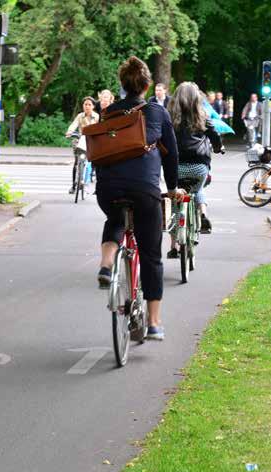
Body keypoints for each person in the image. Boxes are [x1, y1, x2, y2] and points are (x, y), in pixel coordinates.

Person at [96, 56, 183, 341]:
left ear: (122, 85)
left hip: (108, 188)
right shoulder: (157, 112)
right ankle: (154, 322)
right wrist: (172, 187)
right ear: (146, 86)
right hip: (144, 189)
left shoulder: (108, 113)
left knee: (115, 217)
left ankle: (107, 265)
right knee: (151, 254)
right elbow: (172, 157)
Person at [166, 82, 223, 256]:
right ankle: (203, 214)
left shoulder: (169, 117)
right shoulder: (202, 116)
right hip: (199, 167)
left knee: (176, 198)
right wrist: (218, 147)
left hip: (175, 168)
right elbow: (214, 135)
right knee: (198, 188)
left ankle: (174, 247)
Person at [65, 96, 99, 194]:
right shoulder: (80, 116)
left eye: (89, 104)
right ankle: (73, 185)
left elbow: (99, 127)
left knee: (90, 162)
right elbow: (74, 124)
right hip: (80, 140)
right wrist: (70, 132)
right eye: (85, 104)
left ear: (93, 106)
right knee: (76, 162)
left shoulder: (96, 117)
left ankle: (86, 183)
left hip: (91, 141)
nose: (87, 106)